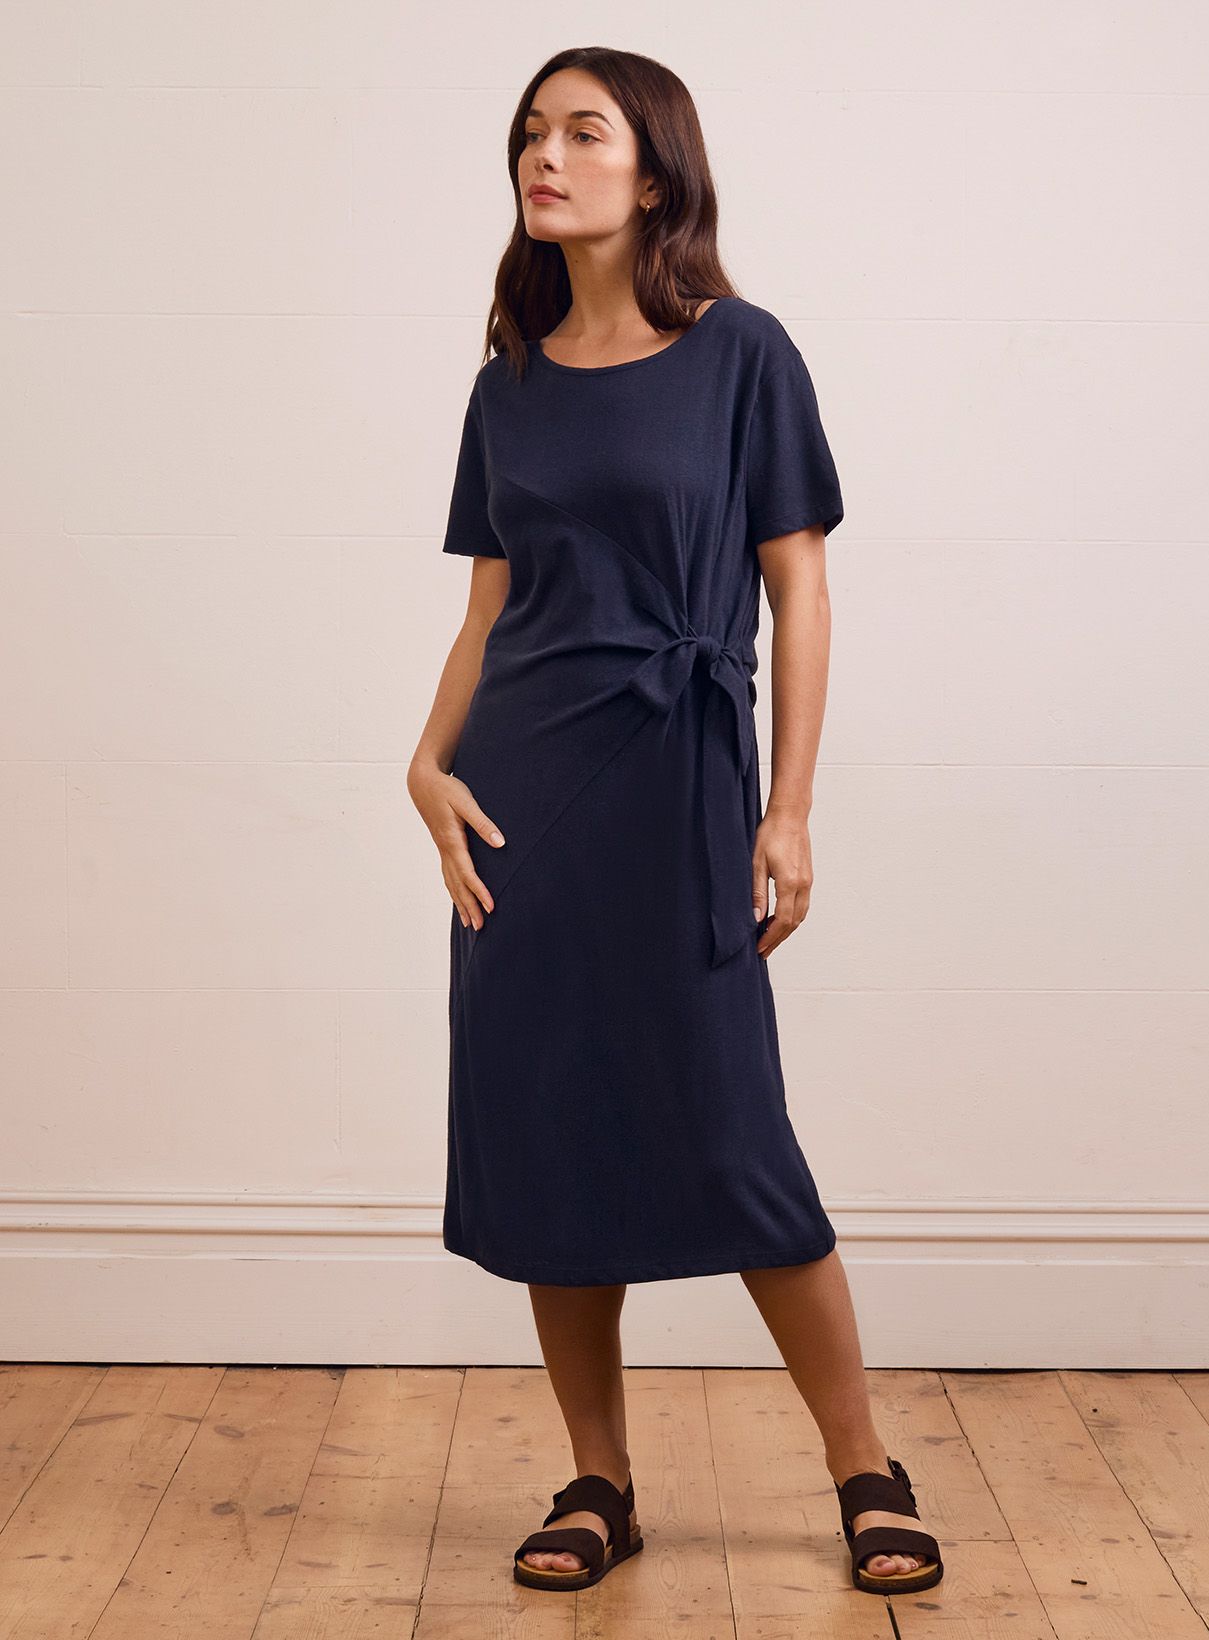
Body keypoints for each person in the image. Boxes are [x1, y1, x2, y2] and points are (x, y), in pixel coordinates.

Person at [407, 45, 944, 1600]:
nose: (545, 155)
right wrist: (423, 766)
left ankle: (864, 1467)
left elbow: (800, 589)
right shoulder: (507, 382)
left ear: (657, 173)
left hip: (682, 784)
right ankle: (599, 1478)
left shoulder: (741, 355)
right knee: (547, 1130)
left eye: (584, 131)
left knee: (732, 1133)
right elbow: (488, 610)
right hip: (518, 797)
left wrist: (789, 807)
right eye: (530, 131)